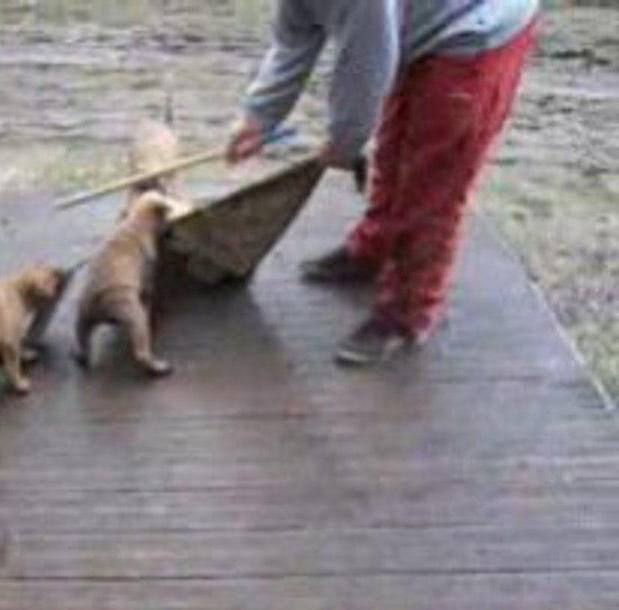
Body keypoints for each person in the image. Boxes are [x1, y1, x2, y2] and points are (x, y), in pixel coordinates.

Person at [226, 0, 539, 365]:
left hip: (475, 33)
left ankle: (407, 313)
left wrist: (344, 142)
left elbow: (365, 66)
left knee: (431, 185)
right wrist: (258, 119)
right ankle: (374, 249)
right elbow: (295, 40)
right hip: (414, 25)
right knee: (393, 150)